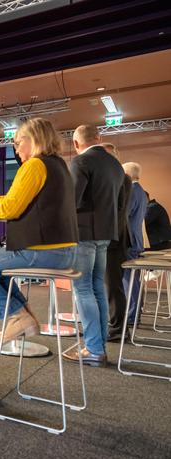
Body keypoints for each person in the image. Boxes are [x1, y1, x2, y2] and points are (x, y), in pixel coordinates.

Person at [0, 118, 78, 344]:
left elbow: (8, 209)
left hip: (41, 250)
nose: (15, 149)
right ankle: (24, 317)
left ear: (34, 139)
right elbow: (21, 202)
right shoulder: (59, 166)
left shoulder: (34, 165)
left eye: (17, 142)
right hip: (66, 252)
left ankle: (18, 317)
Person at [68, 124, 125, 366]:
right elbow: (120, 202)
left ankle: (93, 348)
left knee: (82, 289)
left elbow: (72, 200)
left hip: (84, 233)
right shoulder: (115, 165)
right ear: (99, 138)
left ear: (76, 144)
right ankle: (98, 345)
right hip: (106, 233)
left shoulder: (80, 162)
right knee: (97, 289)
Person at [98, 143, 132, 342]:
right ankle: (113, 327)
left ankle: (119, 330)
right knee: (108, 287)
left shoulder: (122, 179)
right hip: (111, 239)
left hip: (114, 240)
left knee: (113, 287)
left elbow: (117, 215)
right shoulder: (118, 179)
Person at [121, 162, 148, 325]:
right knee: (133, 280)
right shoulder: (142, 192)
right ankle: (135, 312)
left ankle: (132, 315)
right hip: (136, 239)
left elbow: (124, 214)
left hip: (129, 241)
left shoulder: (131, 191)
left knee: (129, 280)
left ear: (127, 175)